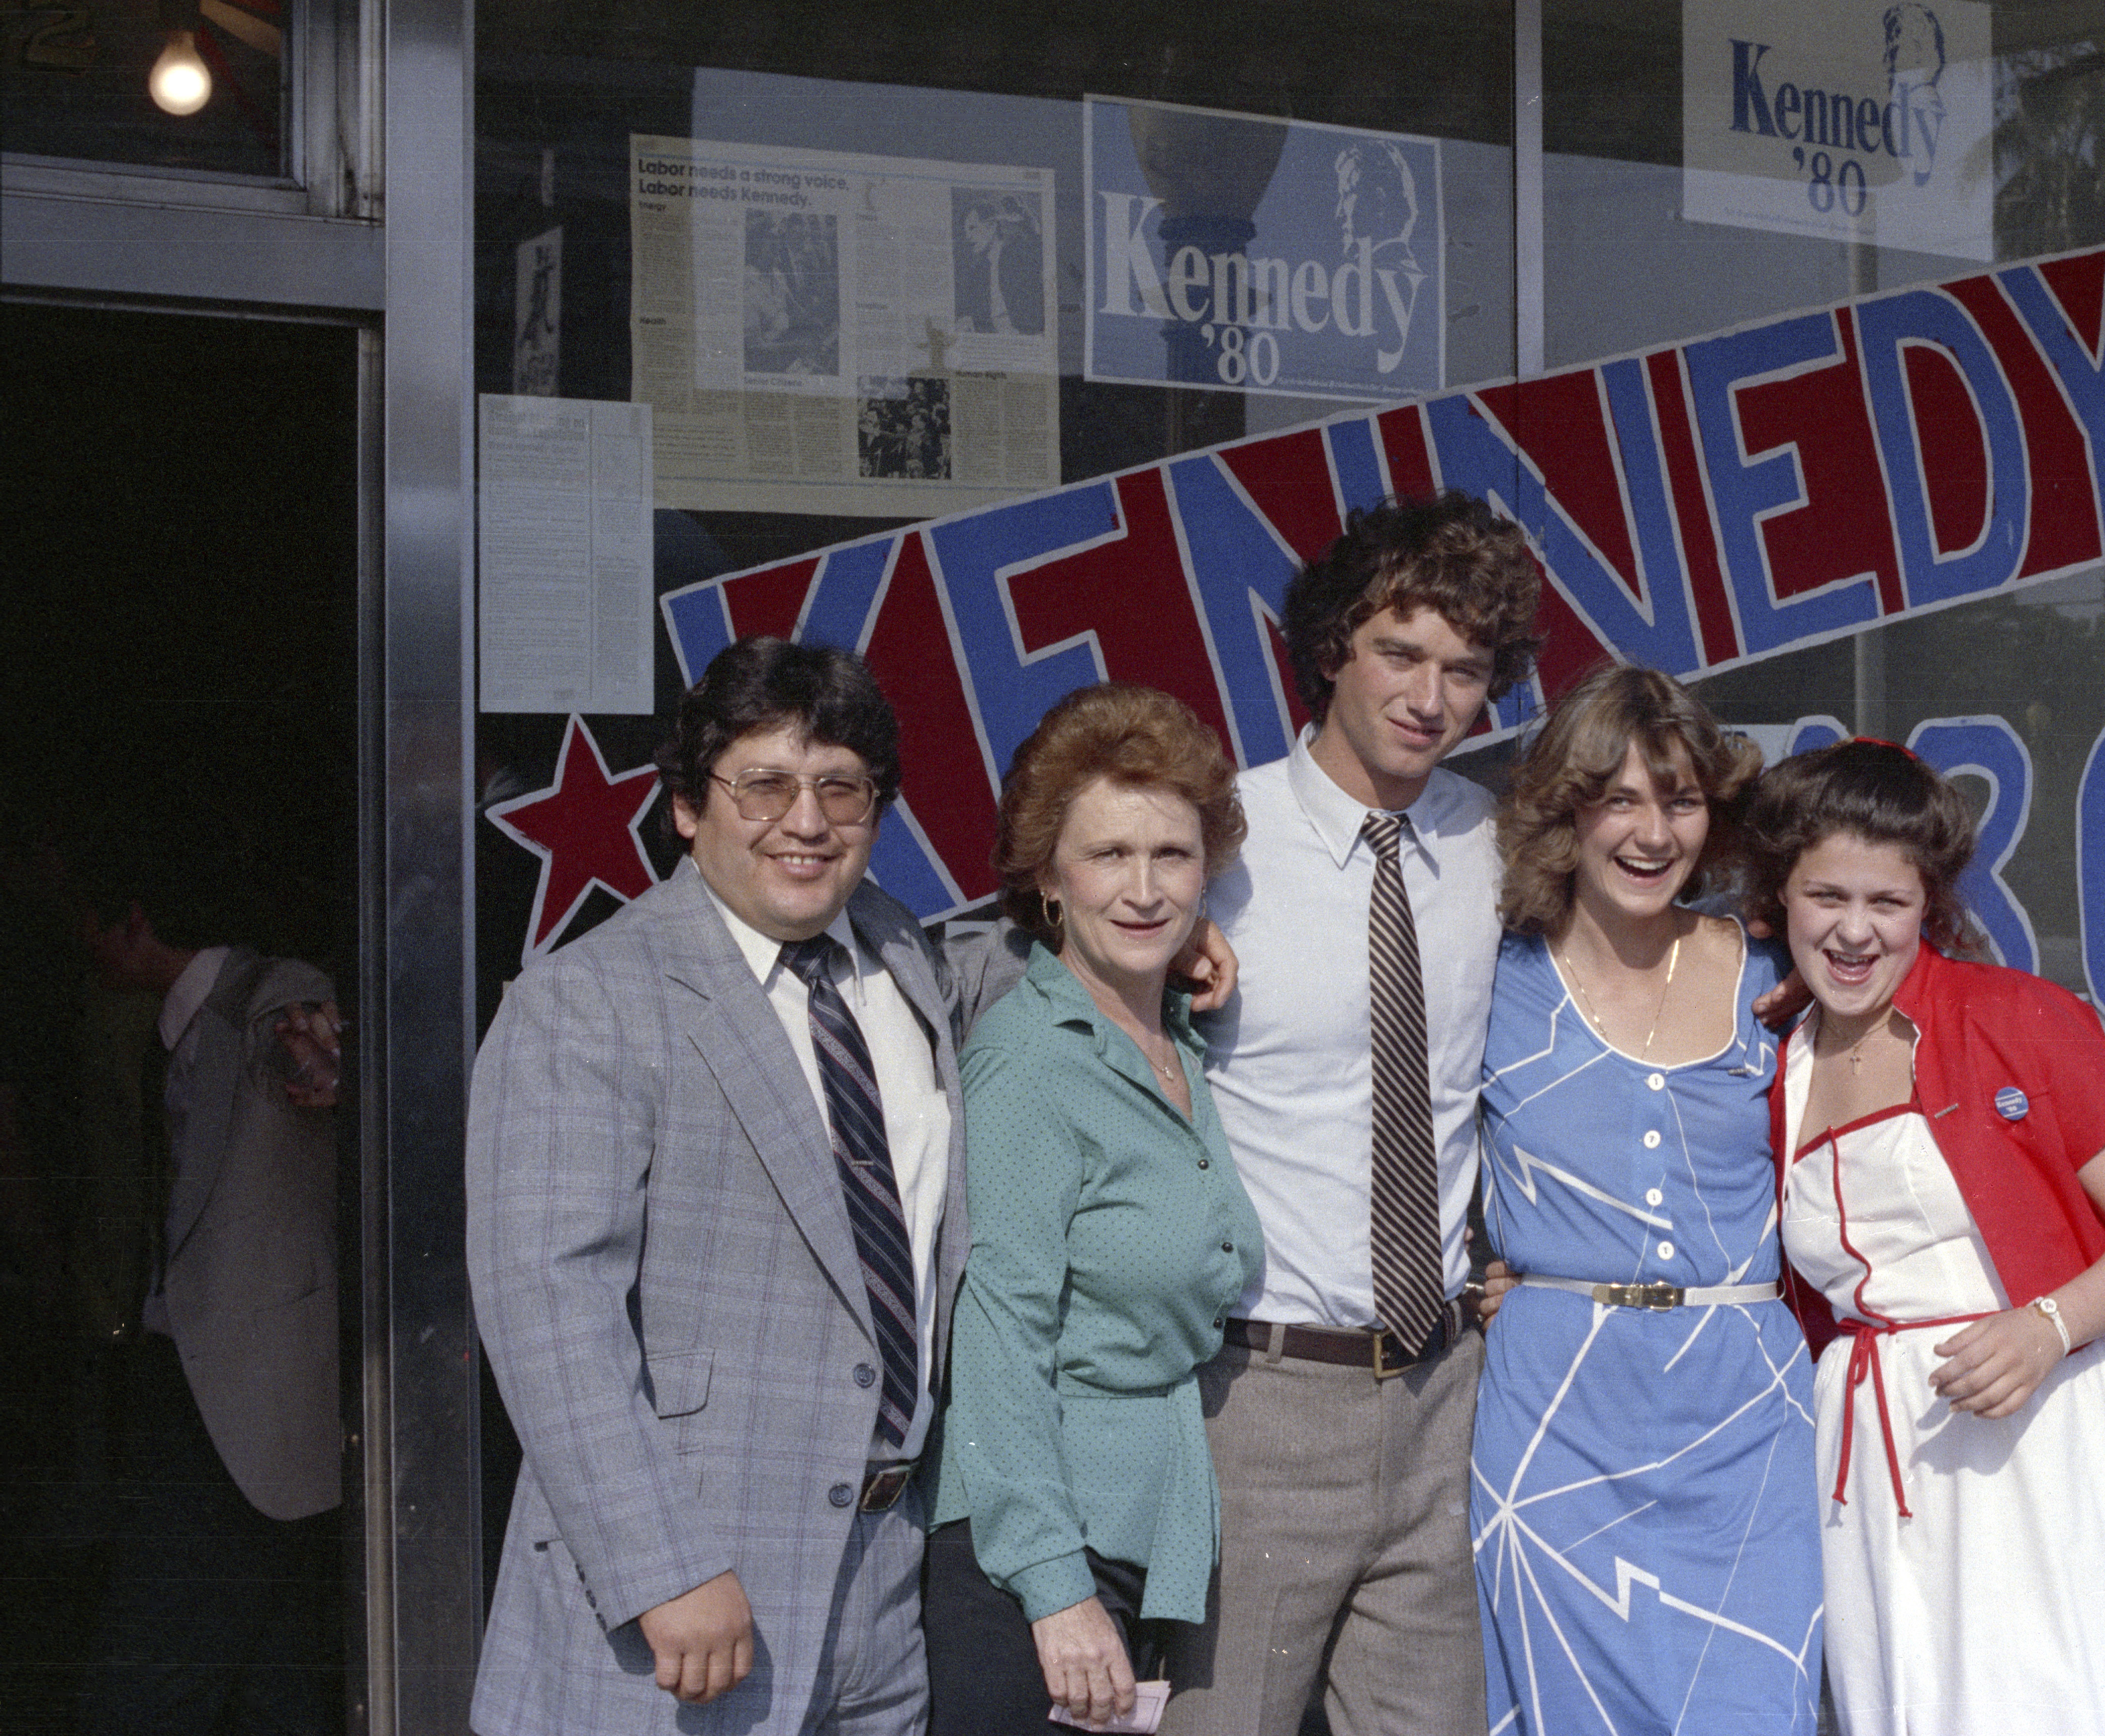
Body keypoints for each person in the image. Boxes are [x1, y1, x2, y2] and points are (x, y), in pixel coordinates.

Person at [466, 636, 1031, 1735]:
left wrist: (1176, 941)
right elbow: (548, 1311)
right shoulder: (587, 1001)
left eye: (840, 788)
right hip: (687, 1603)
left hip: (885, 1590)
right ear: (688, 807)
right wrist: (660, 1566)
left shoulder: (901, 956)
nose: (805, 822)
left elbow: (1030, 959)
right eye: (763, 785)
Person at [1167, 491, 1542, 1736]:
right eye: (1400, 653)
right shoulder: (1212, 843)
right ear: (1333, 648)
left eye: (1465, 671)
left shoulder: (1501, 850)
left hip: (1447, 1397)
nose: (1430, 697)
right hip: (1259, 1397)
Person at [1748, 739, 2105, 1736]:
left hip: (2035, 1425)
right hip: (1866, 1447)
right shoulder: (1779, 1058)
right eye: (1826, 897)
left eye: (1887, 902)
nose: (1854, 931)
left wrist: (2047, 1326)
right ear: (1782, 895)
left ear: (1928, 906)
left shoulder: (2016, 1017)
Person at [1472, 664, 1822, 1735]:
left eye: (1680, 799)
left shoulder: (1778, 972)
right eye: (1618, 798)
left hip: (1747, 1424)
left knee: (1755, 1710)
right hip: (1556, 1424)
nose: (1652, 832)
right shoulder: (1487, 977)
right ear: (1564, 809)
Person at [926, 683, 1263, 1734]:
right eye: (1109, 854)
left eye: (1171, 854)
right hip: (1035, 1562)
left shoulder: (1177, 1042)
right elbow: (997, 1343)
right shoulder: (1030, 1063)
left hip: (1142, 1537)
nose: (1145, 888)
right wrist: (1055, 1587)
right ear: (1047, 877)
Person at [69, 865, 345, 1734]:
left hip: (243, 1394)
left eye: (86, 924)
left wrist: (318, 1060)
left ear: (131, 918)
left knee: (148, 1671)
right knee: (270, 1678)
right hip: (189, 1383)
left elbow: (311, 1055)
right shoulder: (163, 1029)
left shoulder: (270, 992)